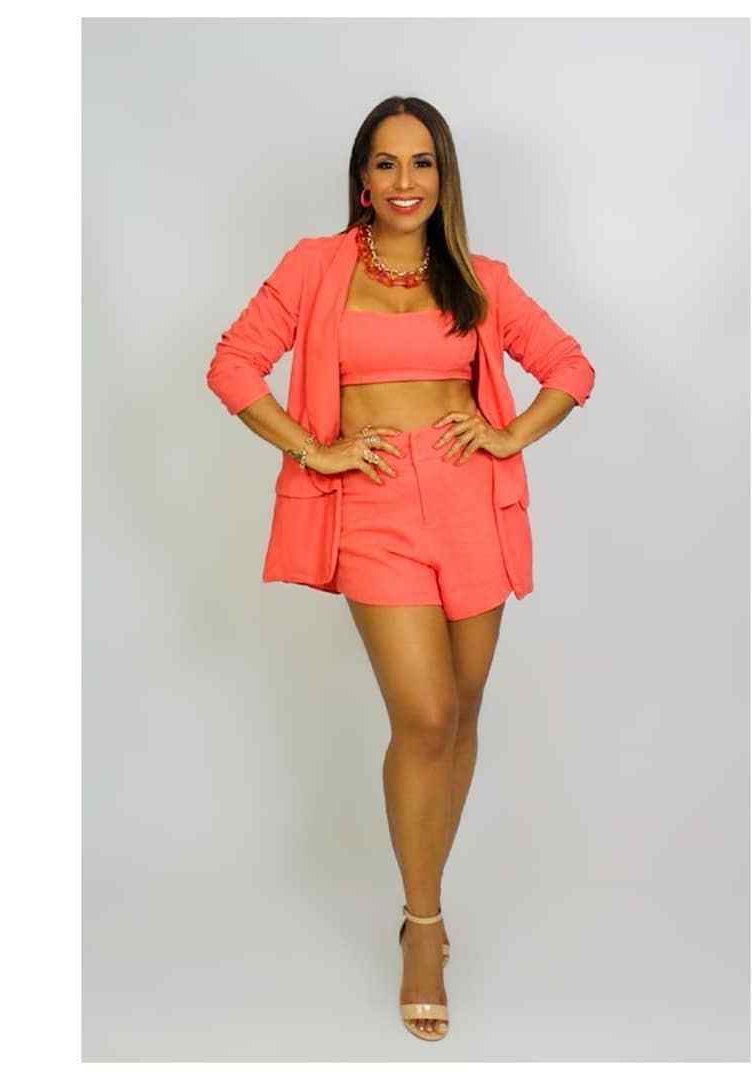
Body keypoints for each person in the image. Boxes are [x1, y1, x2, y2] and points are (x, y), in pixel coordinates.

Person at [206, 96, 595, 1041]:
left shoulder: (480, 278)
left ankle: (428, 887)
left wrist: (508, 434)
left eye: (422, 163)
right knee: (422, 715)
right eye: (386, 163)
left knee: (461, 710)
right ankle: (424, 926)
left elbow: (570, 368)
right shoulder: (315, 266)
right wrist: (315, 448)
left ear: (444, 177)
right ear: (362, 179)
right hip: (373, 502)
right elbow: (233, 366)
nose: (405, 181)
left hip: (471, 501)